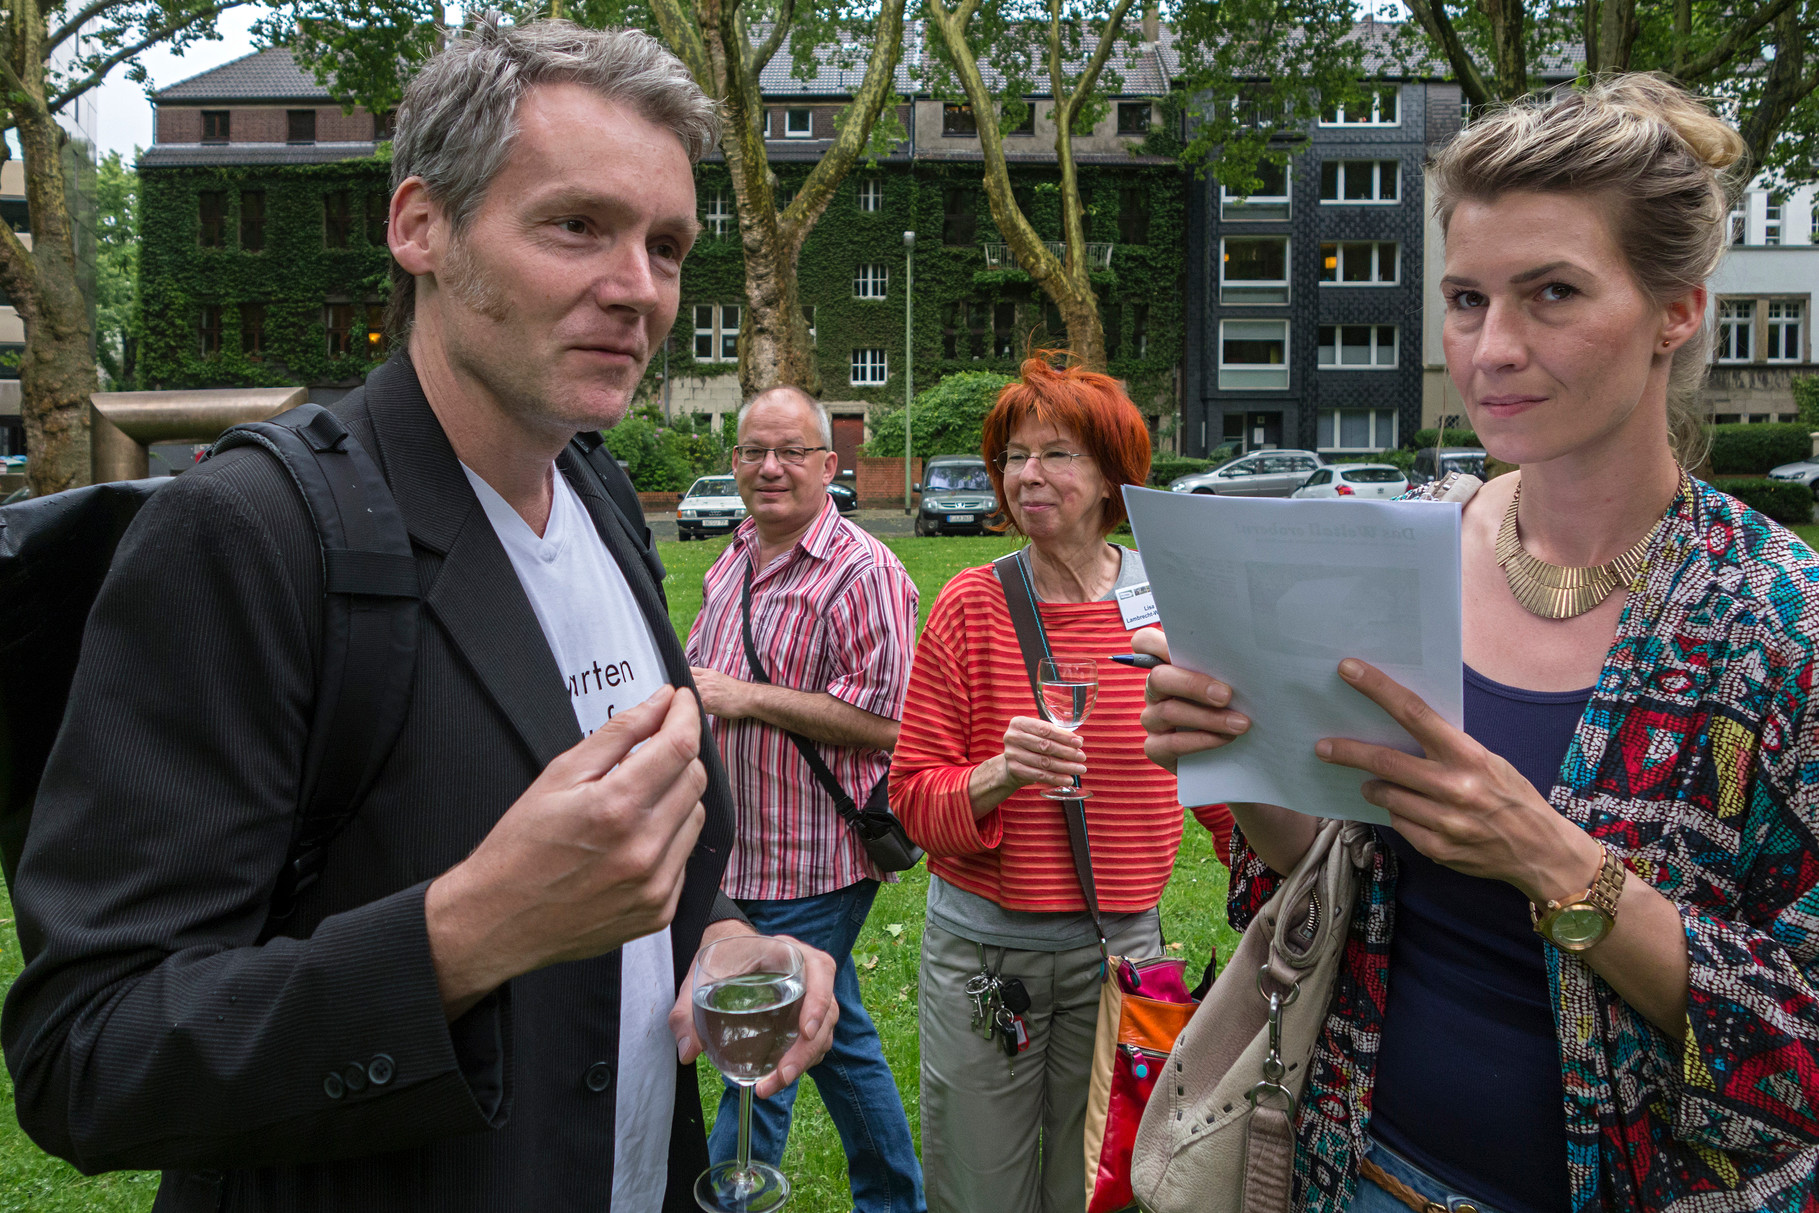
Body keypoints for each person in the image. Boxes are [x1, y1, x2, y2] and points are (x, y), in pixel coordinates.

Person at [1, 21, 838, 1212]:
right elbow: (89, 1053)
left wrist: (724, 937)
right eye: (575, 226)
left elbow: (635, 873)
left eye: (665, 244)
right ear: (420, 228)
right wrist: (464, 933)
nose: (636, 288)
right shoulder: (247, 533)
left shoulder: (600, 496)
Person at [1138, 76, 1819, 1213]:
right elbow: (1328, 873)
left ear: (1676, 310)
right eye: (1465, 298)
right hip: (1346, 1166)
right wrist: (1242, 754)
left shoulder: (1777, 627)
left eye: (1551, 292)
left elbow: (1793, 1046)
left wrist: (1553, 859)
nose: (1491, 347)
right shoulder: (1400, 548)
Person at [890, 356, 1233, 1213]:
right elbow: (913, 799)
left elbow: (1224, 779)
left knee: (1098, 1185)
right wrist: (1001, 775)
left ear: (1114, 475)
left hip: (1120, 954)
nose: (1026, 475)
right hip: (983, 958)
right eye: (1013, 455)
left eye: (1056, 453)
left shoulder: (1171, 609)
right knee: (979, 1189)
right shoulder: (970, 606)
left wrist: (1264, 880)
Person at [684, 384, 925, 1213]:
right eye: (753, 451)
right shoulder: (733, 556)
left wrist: (744, 697)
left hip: (815, 858)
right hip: (735, 854)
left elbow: (888, 722)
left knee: (762, 1051)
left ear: (830, 464)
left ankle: (729, 1195)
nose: (769, 467)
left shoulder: (865, 571)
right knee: (841, 1038)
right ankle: (894, 1196)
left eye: (790, 451)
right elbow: (698, 679)